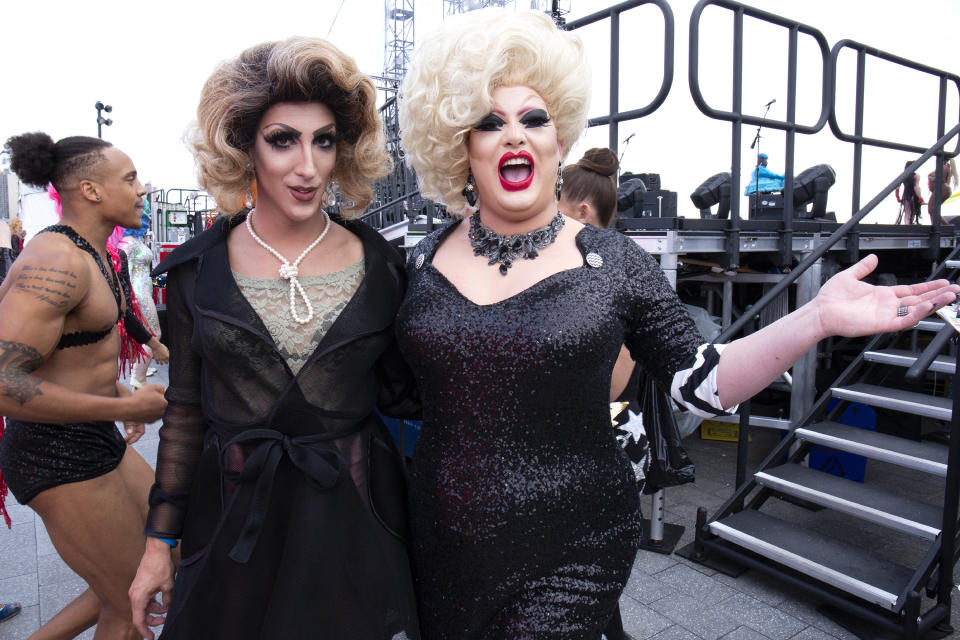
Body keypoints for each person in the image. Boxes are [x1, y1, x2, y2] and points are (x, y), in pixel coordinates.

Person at [396, 9, 960, 637]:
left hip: (574, 546)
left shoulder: (612, 263)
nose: (515, 137)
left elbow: (703, 383)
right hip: (442, 546)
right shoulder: (420, 262)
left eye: (535, 119)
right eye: (489, 123)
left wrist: (816, 317)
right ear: (459, 146)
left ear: (560, 140)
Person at [128, 37, 421, 640]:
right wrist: (160, 542)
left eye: (324, 140)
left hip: (353, 521)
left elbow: (407, 395)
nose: (308, 166)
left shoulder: (385, 266)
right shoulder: (195, 271)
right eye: (283, 139)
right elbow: (184, 411)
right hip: (235, 518)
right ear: (244, 147)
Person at [0, 132, 168, 639]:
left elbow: (70, 361)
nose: (142, 190)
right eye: (130, 178)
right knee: (128, 601)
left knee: (165, 555)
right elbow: (5, 384)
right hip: (52, 452)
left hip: (93, 438)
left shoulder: (93, 252)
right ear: (91, 190)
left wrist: (124, 401)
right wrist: (115, 407)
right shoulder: (55, 260)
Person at [110, 213, 170, 386]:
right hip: (139, 293)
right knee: (153, 333)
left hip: (142, 290)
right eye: (146, 216)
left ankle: (139, 372)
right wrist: (129, 297)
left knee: (147, 333)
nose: (148, 220)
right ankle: (139, 376)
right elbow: (122, 271)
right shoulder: (128, 243)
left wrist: (164, 282)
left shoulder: (132, 241)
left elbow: (143, 273)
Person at [896, 160, 924, 224]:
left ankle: (907, 225)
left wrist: (897, 197)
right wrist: (920, 197)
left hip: (906, 195)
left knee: (907, 213)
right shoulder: (916, 175)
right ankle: (909, 225)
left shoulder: (903, 175)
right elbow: (916, 187)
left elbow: (897, 187)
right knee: (913, 212)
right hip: (914, 195)